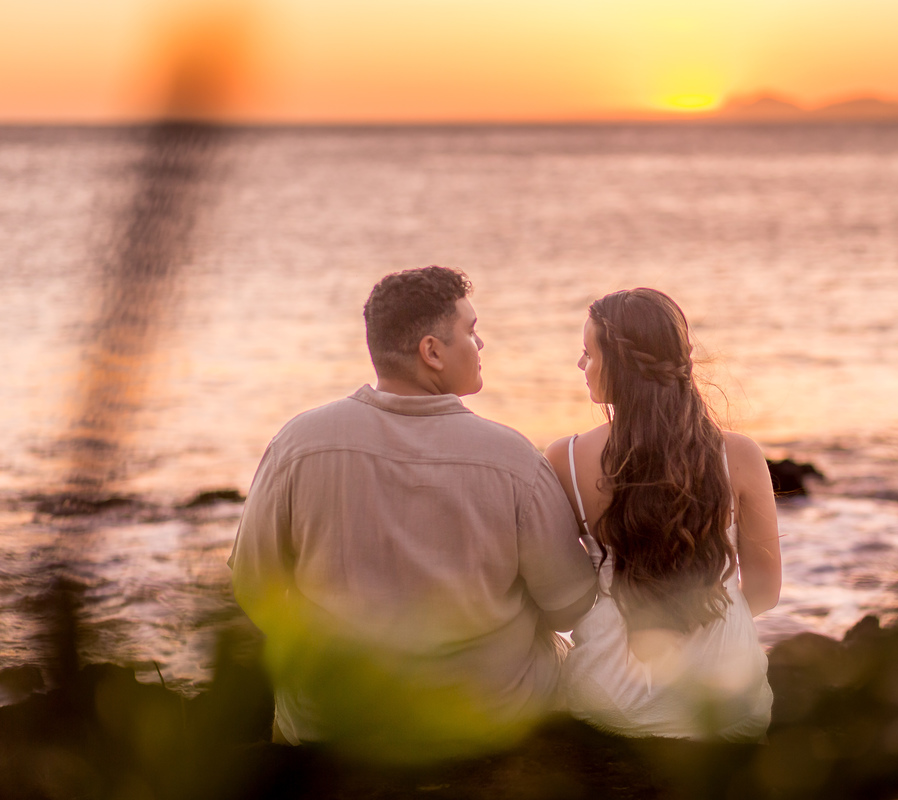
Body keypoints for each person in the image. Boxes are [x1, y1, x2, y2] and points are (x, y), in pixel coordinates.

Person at [228, 266, 598, 762]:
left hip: (334, 720)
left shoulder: (298, 443)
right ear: (432, 351)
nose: (481, 343)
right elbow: (569, 606)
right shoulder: (514, 461)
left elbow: (254, 586)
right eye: (470, 330)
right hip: (489, 717)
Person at [544, 288, 782, 742]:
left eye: (587, 353)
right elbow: (767, 592)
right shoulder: (742, 455)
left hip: (611, 694)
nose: (580, 365)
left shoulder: (566, 459)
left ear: (618, 366)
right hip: (728, 698)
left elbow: (559, 595)